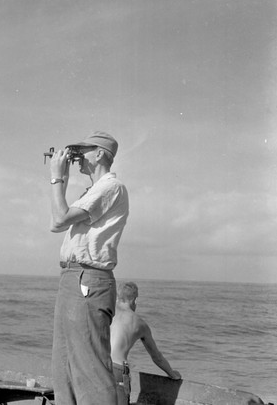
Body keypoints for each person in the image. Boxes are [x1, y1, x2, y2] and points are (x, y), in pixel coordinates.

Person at [48, 131, 129, 405]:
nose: (77, 155)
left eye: (83, 150)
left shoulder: (110, 187)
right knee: (65, 369)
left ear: (100, 154)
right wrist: (64, 179)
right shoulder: (94, 191)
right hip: (73, 277)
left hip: (88, 279)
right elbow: (55, 222)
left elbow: (60, 219)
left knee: (89, 369)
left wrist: (57, 178)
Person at [110, 282, 182, 405]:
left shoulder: (107, 311)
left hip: (99, 363)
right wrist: (173, 374)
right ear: (134, 300)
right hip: (118, 370)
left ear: (118, 297)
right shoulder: (139, 323)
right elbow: (157, 357)